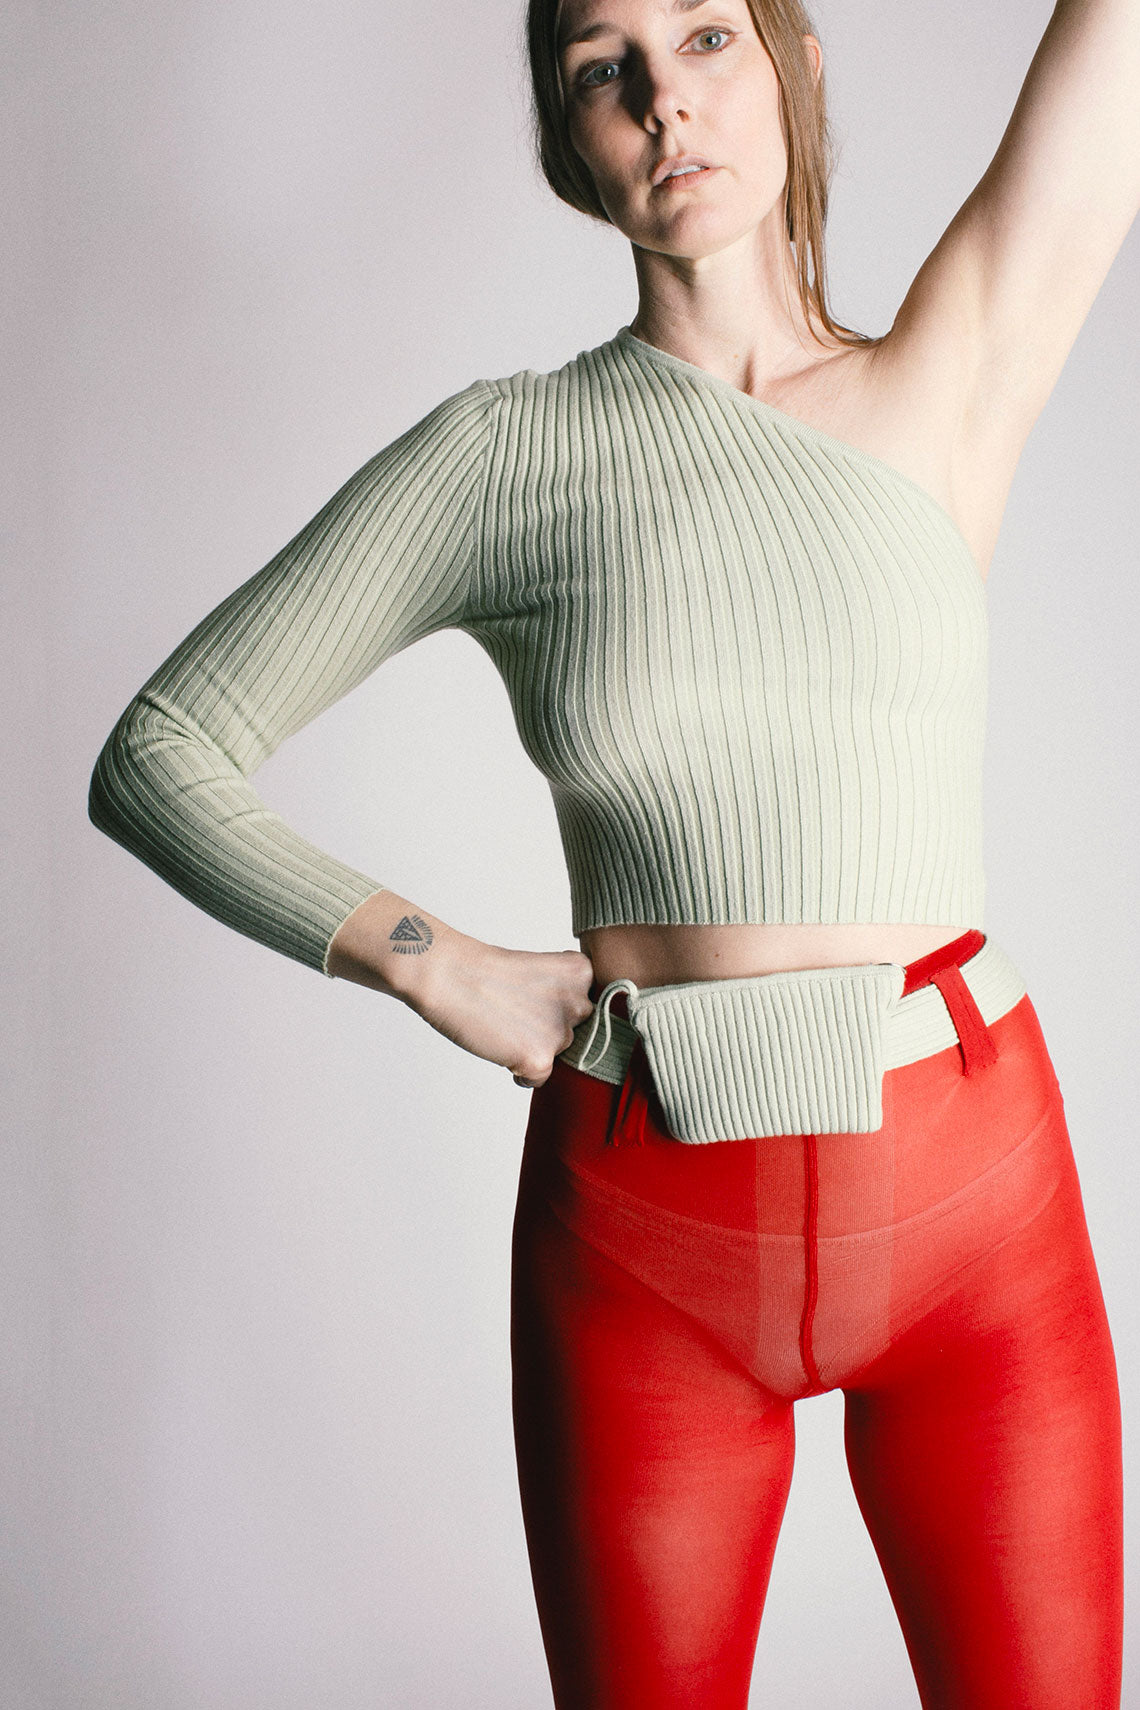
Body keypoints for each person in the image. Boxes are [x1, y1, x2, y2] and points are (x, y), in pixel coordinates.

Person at [88, 0, 1137, 1702]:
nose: (665, 100)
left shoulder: (952, 369)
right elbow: (161, 751)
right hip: (647, 1248)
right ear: (569, 138)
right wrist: (439, 967)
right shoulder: (504, 455)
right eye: (604, 69)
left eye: (708, 37)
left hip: (977, 1224)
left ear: (790, 60)